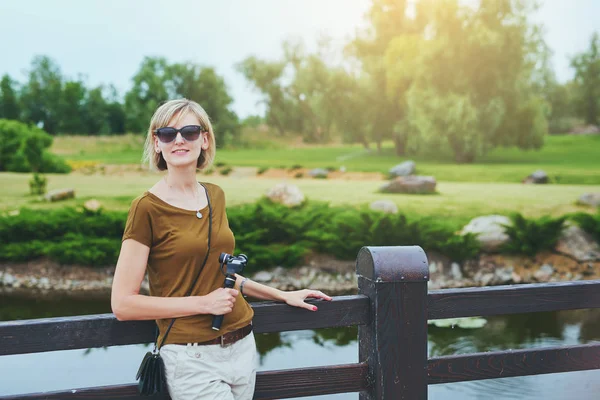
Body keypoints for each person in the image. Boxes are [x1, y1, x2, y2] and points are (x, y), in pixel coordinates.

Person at [111, 98, 331, 400]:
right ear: (156, 142)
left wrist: (281, 295)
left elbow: (221, 275)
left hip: (242, 346)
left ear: (204, 139)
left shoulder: (215, 195)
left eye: (189, 131)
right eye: (167, 133)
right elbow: (123, 304)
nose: (178, 140)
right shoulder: (146, 208)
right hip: (191, 359)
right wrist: (203, 304)